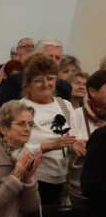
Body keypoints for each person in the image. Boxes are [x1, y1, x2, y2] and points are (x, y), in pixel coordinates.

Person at [17, 53, 89, 206]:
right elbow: (14, 150)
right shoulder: (20, 108)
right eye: (39, 80)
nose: (46, 84)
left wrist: (75, 145)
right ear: (28, 84)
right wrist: (50, 146)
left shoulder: (65, 105)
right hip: (31, 180)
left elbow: (73, 137)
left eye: (50, 78)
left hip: (59, 181)